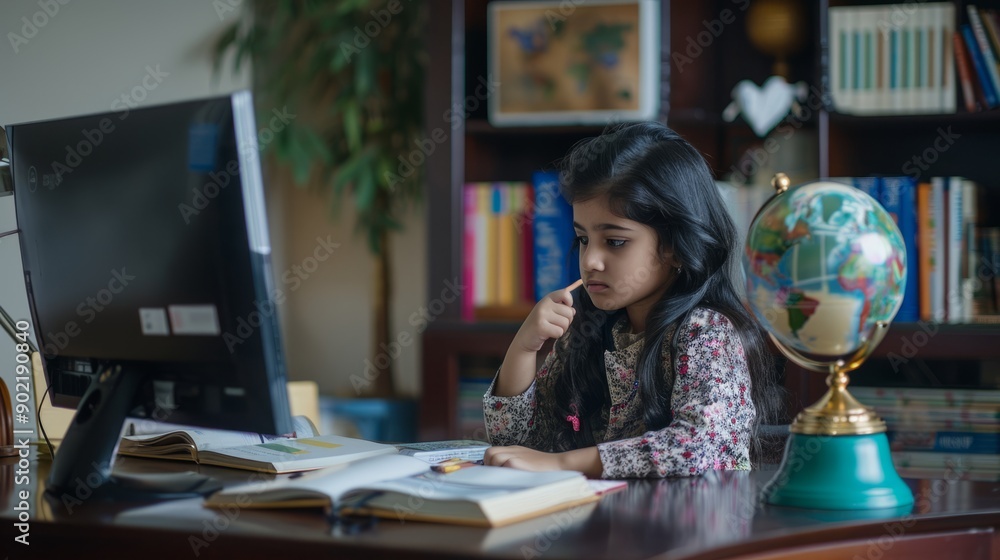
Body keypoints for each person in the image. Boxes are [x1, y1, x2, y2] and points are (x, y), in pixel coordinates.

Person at [482, 121, 783, 478]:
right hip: (611, 525)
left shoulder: (707, 332)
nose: (591, 260)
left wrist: (562, 463)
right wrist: (524, 349)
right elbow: (515, 447)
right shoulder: (587, 331)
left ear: (674, 246)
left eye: (615, 242)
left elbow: (701, 445)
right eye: (583, 239)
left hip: (697, 530)